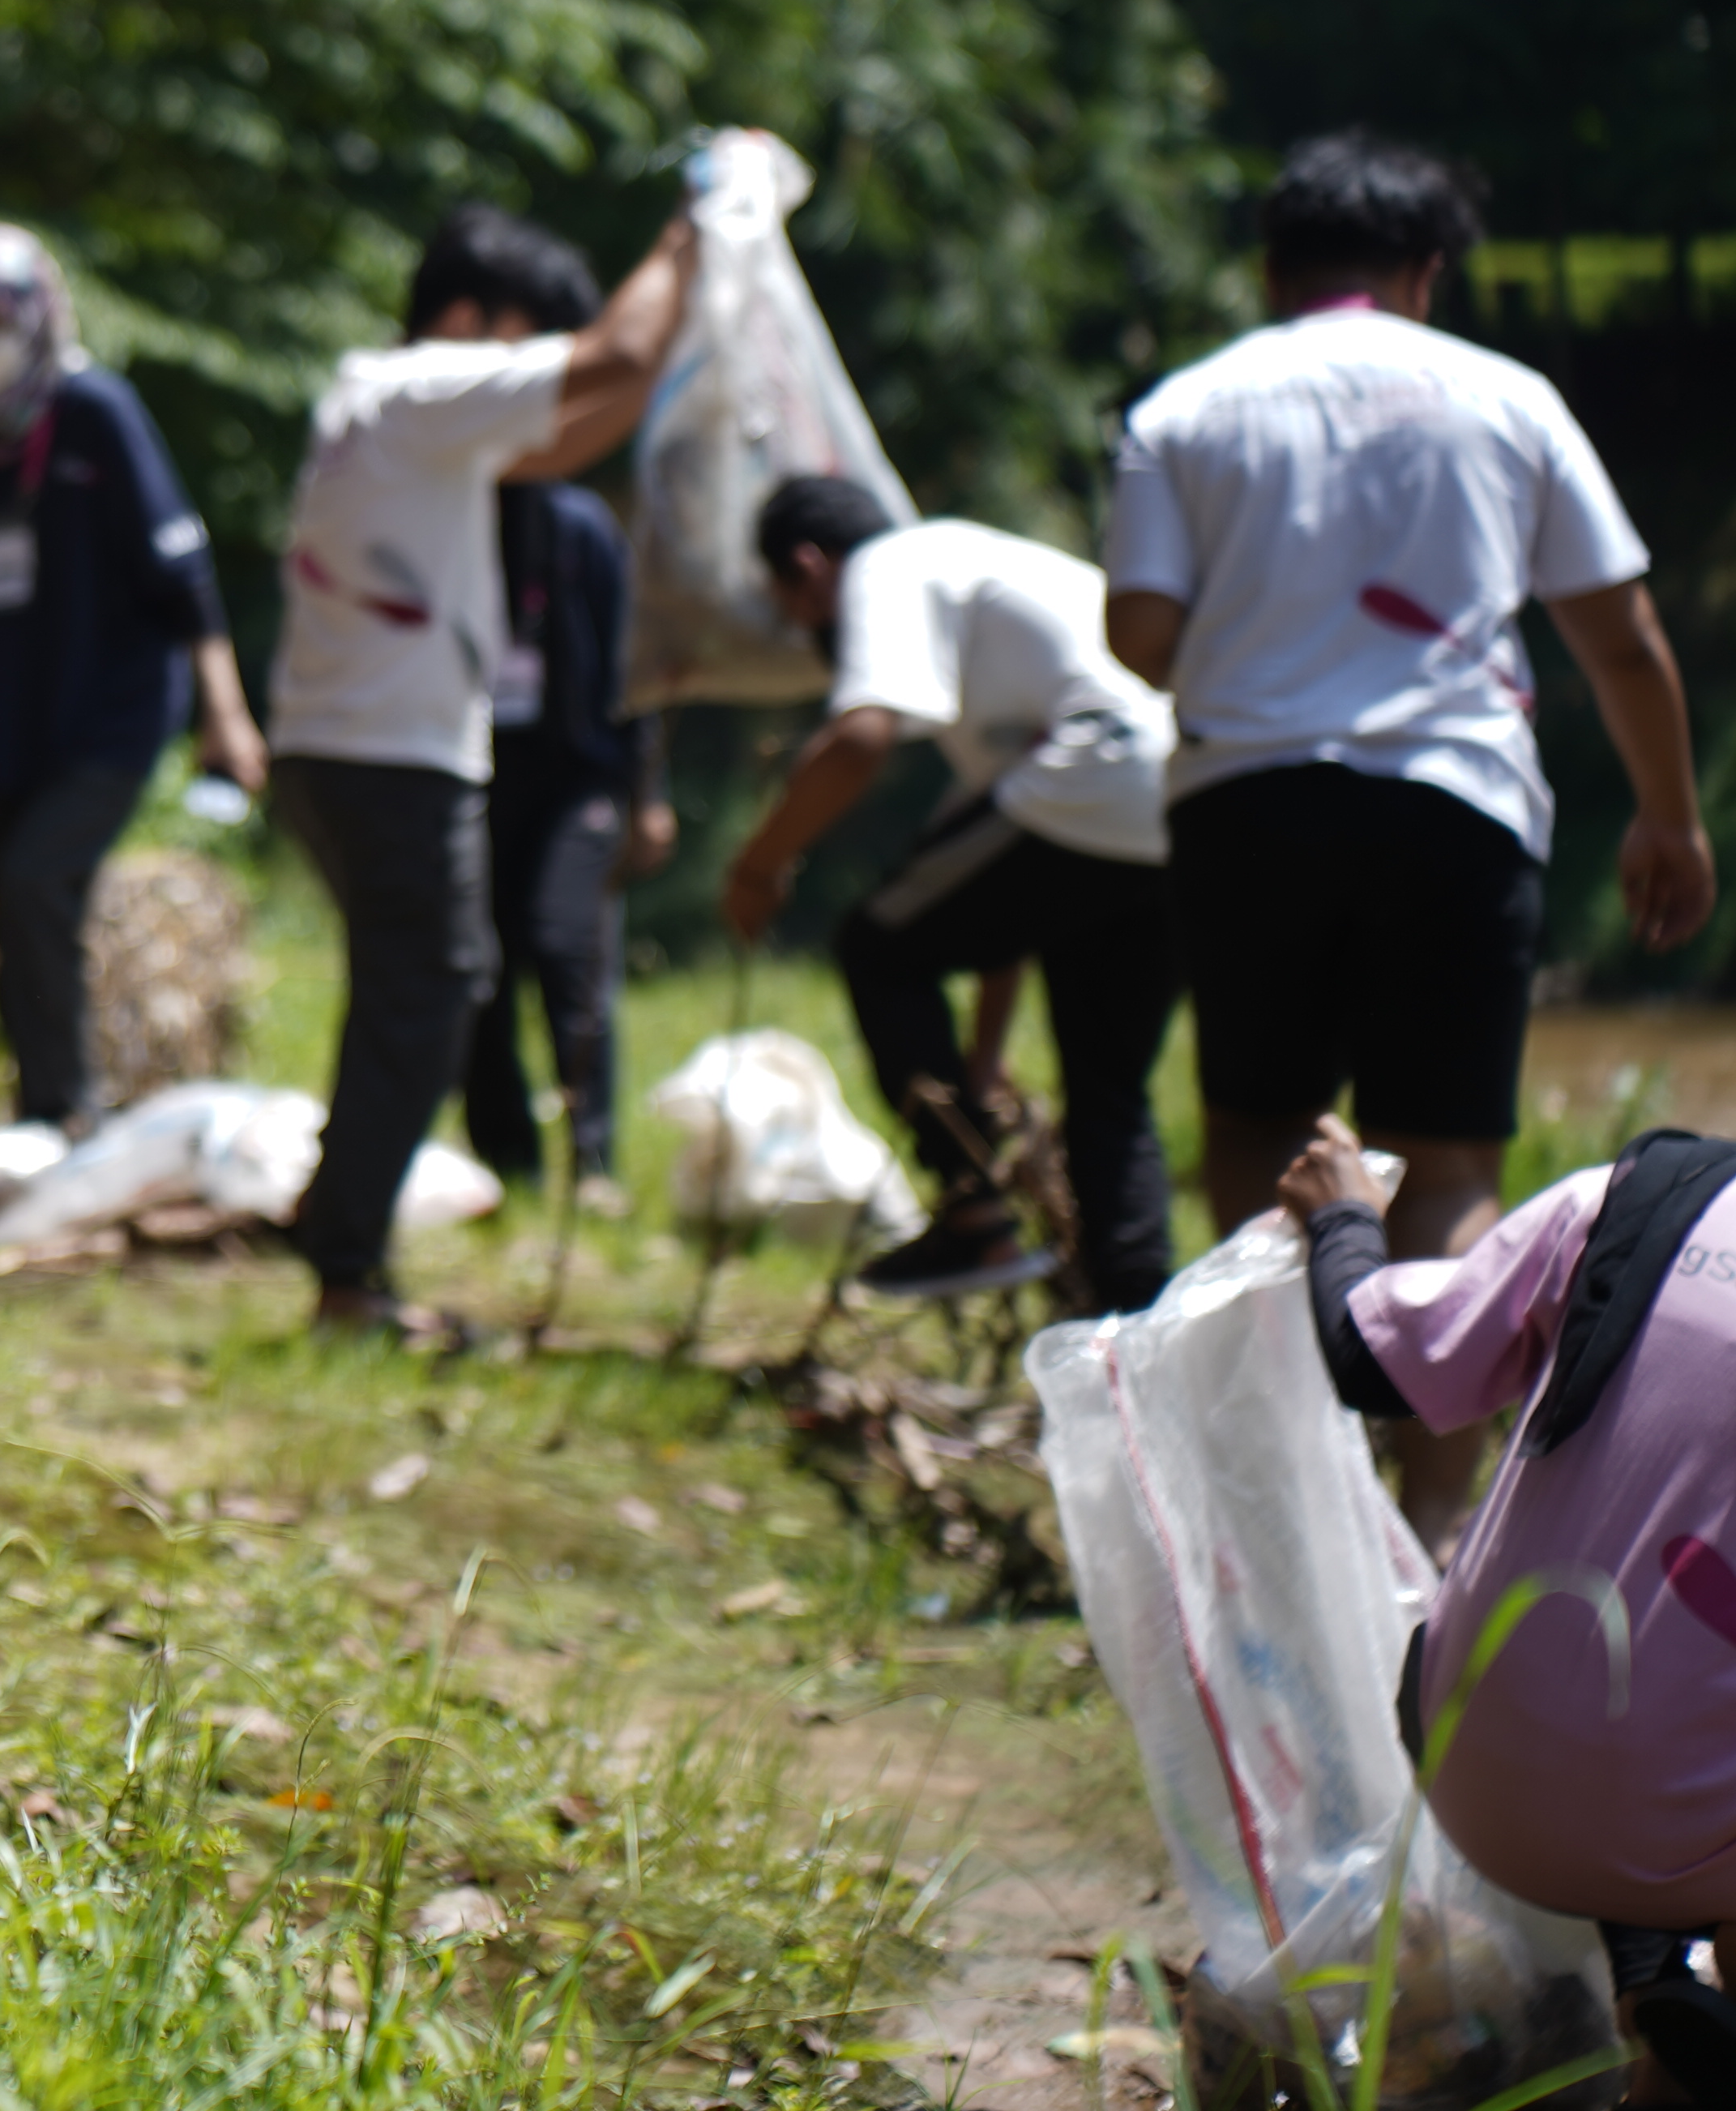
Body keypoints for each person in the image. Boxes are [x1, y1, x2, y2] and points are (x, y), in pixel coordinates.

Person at [1107, 129, 1714, 1538]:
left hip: (1248, 803)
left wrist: (1265, 631)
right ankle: (1440, 1531)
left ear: (1273, 270)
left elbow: (1138, 634)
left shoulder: (1186, 407)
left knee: (1262, 1139)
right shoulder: (1509, 399)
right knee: (1442, 1162)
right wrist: (1670, 814)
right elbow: (1617, 634)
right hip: (1455, 806)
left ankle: (1271, 1522)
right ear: (1428, 273)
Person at [272, 195, 698, 1336]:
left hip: (344, 746)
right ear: (465, 316)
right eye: (522, 338)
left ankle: (335, 1215)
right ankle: (348, 1272)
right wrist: (692, 231)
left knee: (403, 994)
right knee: (435, 993)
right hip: (393, 757)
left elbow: (573, 428)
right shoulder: (420, 392)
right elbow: (614, 355)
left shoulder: (386, 410)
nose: (529, 365)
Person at [1285, 1121, 1736, 2103]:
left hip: (1472, 1759)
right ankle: (1684, 2011)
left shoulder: (1630, 1198)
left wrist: (1346, 1217)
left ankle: (1661, 2009)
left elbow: (1372, 1356)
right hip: (1686, 1823)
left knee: (1652, 1685)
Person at [723, 477, 1180, 1313]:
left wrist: (757, 866)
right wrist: (978, 1061)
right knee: (1109, 1088)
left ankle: (972, 1212)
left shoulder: (890, 565)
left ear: (807, 564)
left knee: (876, 943)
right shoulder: (983, 576)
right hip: (1172, 808)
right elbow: (996, 885)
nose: (803, 630)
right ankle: (1134, 1323)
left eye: (793, 607)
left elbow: (859, 739)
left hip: (1091, 777)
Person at [0, 223, 264, 1132]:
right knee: (13, 907)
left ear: (31, 316)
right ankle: (40, 1106)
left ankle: (71, 1106)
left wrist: (227, 711)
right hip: (11, 710)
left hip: (113, 712)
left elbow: (181, 572)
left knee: (36, 879)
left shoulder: (97, 412)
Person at [460, 437, 667, 1208]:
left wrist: (647, 793)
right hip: (475, 770)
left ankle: (594, 1163)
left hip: (578, 774)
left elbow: (634, 665)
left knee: (565, 941)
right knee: (478, 966)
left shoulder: (579, 529)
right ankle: (505, 1162)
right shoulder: (450, 519)